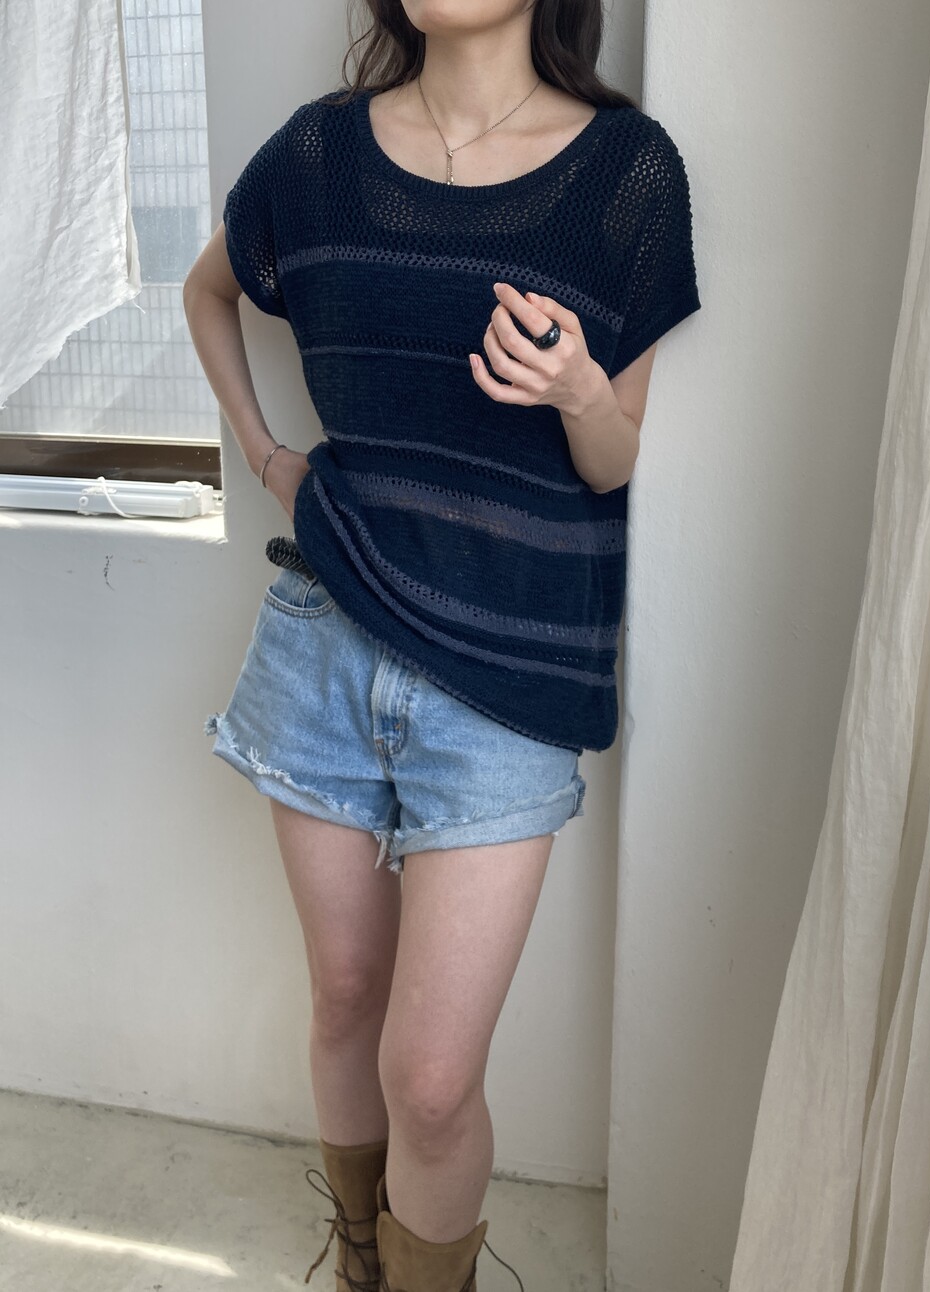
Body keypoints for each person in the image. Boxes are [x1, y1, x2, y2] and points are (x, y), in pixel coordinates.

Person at [184, 1, 701, 1288]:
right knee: (344, 999)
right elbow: (209, 288)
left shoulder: (627, 172)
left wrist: (580, 389)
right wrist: (265, 454)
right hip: (322, 643)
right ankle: (362, 1257)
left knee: (428, 1076)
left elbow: (614, 461)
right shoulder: (317, 157)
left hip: (506, 678)